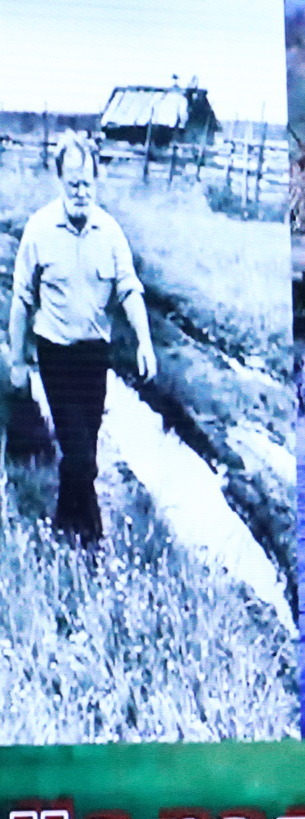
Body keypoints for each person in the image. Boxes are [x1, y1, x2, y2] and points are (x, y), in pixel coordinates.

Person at [6, 131, 156, 540]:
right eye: (72, 183)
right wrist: (17, 361)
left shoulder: (110, 232)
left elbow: (129, 289)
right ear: (59, 180)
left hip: (94, 357)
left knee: (84, 448)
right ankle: (92, 539)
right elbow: (21, 299)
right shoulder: (38, 230)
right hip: (55, 353)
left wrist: (144, 342)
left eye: (87, 183)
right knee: (81, 454)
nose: (80, 192)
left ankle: (64, 526)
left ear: (96, 180)